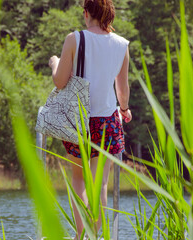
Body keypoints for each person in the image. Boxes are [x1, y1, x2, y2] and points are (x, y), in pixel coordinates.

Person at [48, 0, 132, 238]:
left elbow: (60, 81)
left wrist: (54, 62)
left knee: (78, 179)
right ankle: (95, 236)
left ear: (86, 13)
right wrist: (124, 108)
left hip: (78, 119)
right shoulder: (121, 44)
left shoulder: (74, 39)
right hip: (106, 120)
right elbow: (122, 88)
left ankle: (80, 234)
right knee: (101, 184)